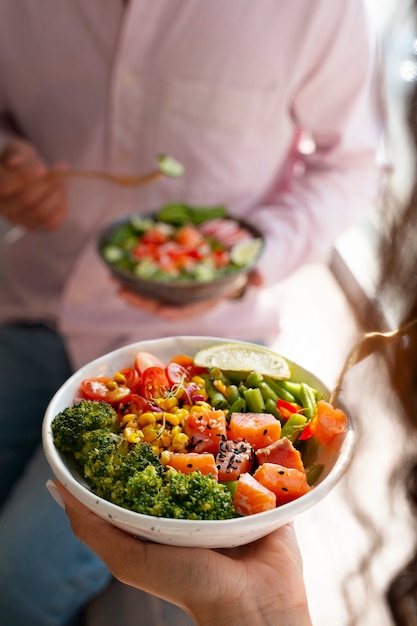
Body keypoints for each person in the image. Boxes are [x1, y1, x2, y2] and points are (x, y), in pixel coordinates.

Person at [0, 1, 379, 625]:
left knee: (19, 583)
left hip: (209, 340)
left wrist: (249, 259)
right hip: (30, 302)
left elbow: (351, 165)